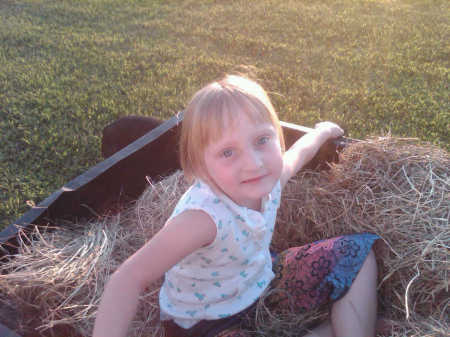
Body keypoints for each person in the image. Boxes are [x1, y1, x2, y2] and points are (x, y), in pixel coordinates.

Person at [93, 75, 379, 337]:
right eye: (228, 152)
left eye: (262, 140)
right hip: (208, 324)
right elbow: (128, 278)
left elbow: (298, 154)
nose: (254, 163)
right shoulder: (202, 218)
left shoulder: (271, 179)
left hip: (260, 281)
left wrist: (322, 131)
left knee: (358, 254)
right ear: (200, 167)